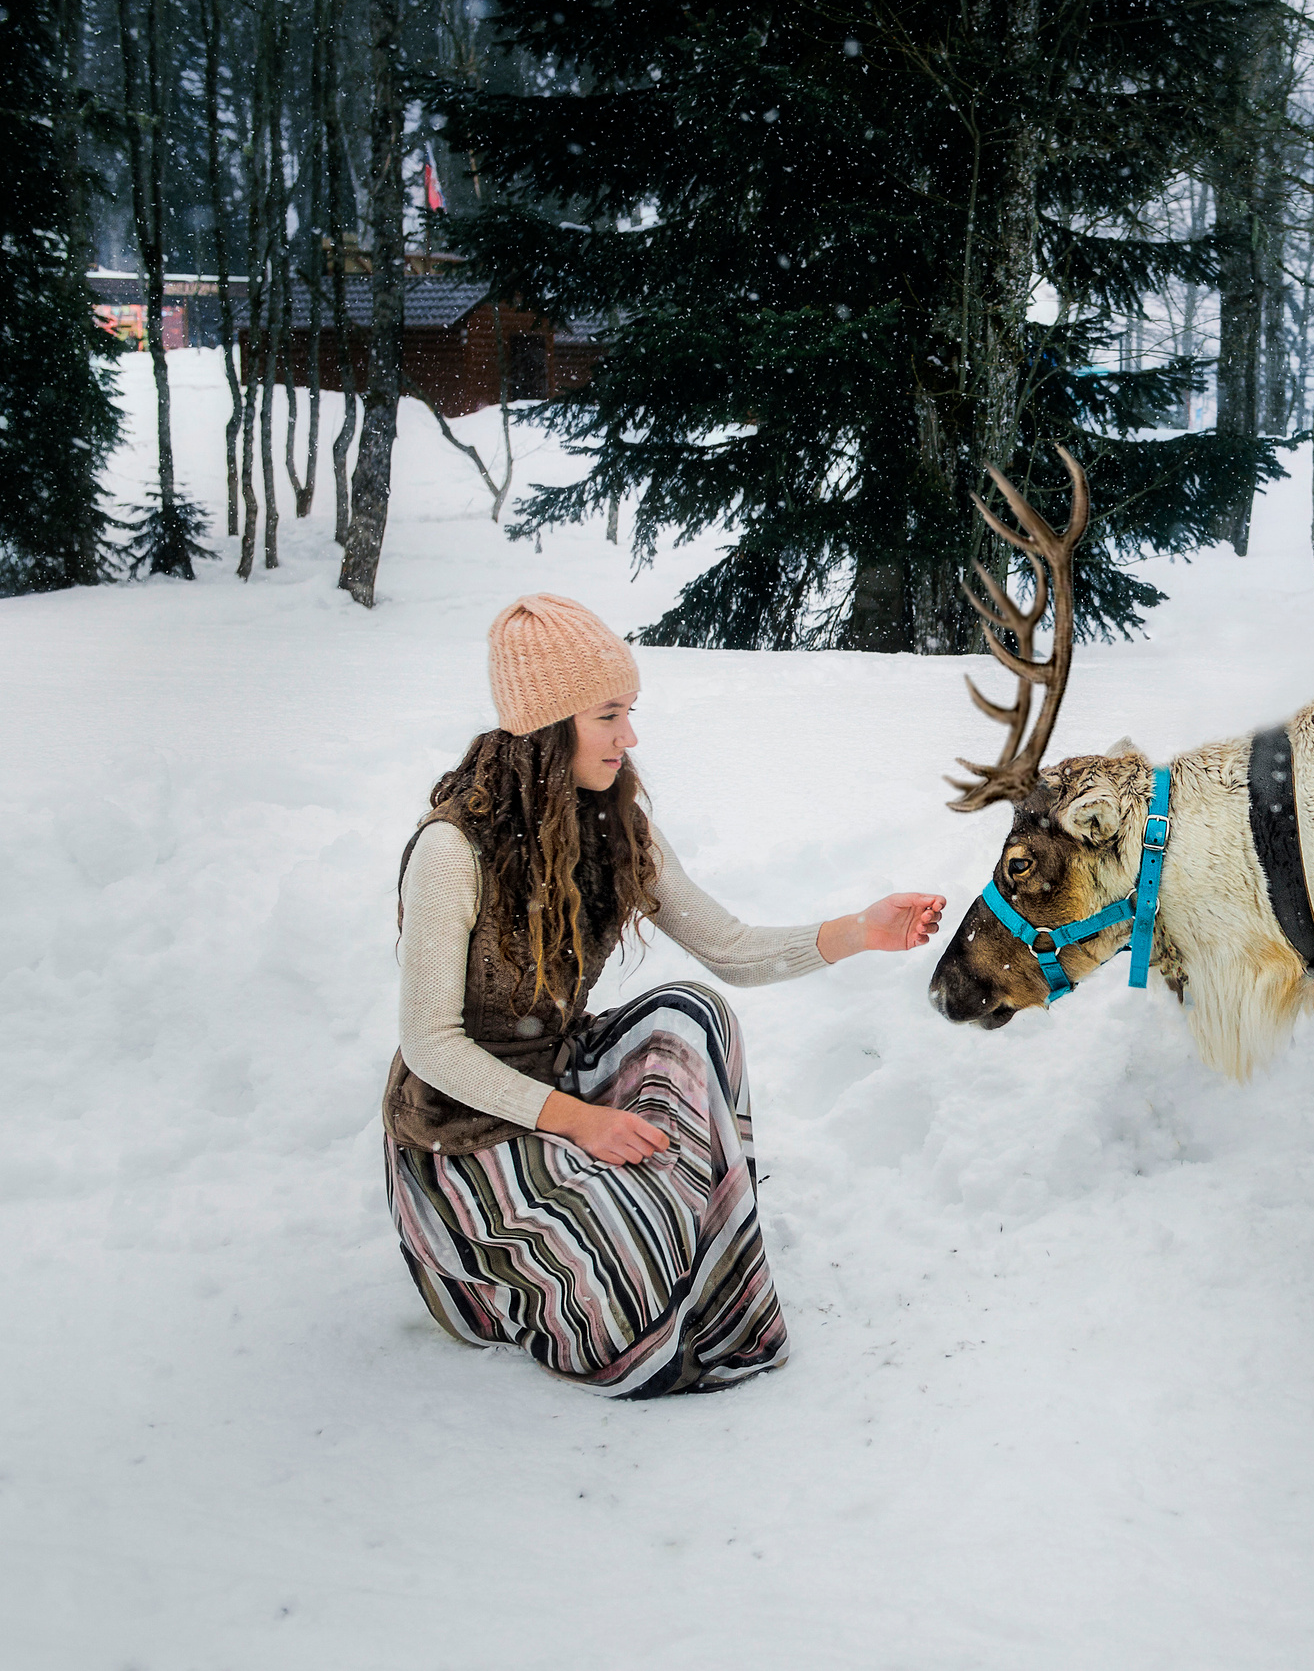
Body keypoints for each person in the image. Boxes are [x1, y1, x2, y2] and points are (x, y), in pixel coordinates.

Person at [382, 594, 944, 1395]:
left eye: (630, 712)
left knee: (693, 1016)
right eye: (609, 714)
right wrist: (585, 1122)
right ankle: (479, 1283)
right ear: (548, 722)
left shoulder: (616, 822)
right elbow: (432, 1048)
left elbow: (730, 949)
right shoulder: (451, 849)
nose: (630, 736)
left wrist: (859, 929)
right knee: (625, 1264)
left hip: (556, 1069)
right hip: (457, 1135)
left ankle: (692, 1255)